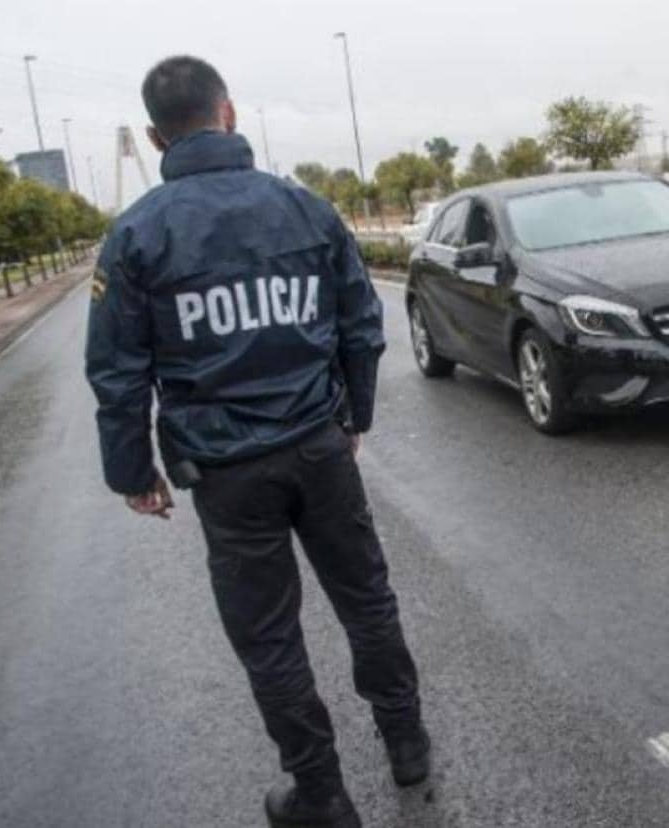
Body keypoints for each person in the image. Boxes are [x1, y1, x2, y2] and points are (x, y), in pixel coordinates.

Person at [84, 55, 427, 828]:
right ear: (228, 113)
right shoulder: (305, 208)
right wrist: (354, 419)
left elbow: (116, 370)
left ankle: (322, 794)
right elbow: (361, 326)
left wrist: (132, 472)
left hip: (228, 473)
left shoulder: (135, 234)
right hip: (319, 446)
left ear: (154, 134)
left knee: (270, 639)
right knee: (366, 599)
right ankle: (408, 744)